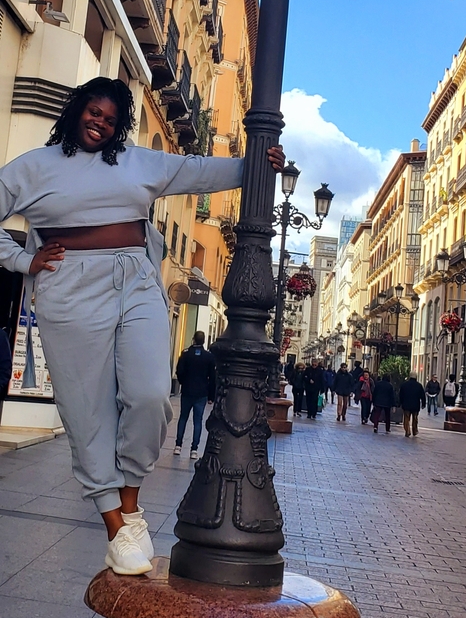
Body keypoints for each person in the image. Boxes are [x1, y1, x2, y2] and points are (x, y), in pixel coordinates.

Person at [0, 76, 285, 576]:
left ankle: (130, 500)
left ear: (119, 126)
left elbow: (198, 172)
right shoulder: (32, 168)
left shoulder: (138, 161)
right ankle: (118, 525)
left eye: (110, 119)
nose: (100, 123)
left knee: (152, 394)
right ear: (75, 111)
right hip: (68, 285)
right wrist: (23, 260)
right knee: (86, 410)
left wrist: (257, 166)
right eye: (93, 112)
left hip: (134, 275)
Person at [173, 331, 215, 461]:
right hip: (201, 394)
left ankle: (178, 445)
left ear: (193, 340)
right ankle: (194, 449)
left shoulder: (186, 354)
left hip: (187, 392)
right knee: (198, 421)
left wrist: (183, 382)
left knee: (183, 418)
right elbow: (213, 377)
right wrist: (211, 395)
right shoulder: (208, 357)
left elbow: (179, 371)